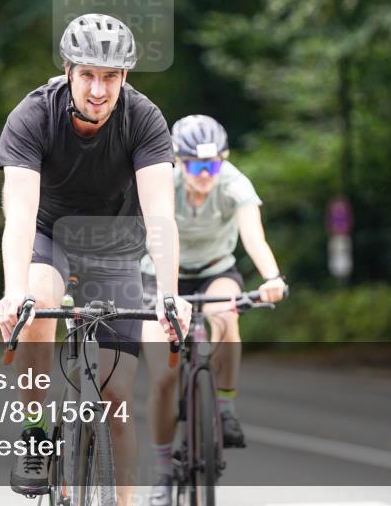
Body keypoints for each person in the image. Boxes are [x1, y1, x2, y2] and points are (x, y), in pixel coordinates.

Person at [0, 13, 191, 506]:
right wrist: (13, 292)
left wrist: (170, 295)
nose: (98, 90)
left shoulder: (144, 119)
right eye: (87, 75)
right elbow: (18, 216)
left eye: (110, 77)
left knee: (117, 400)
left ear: (125, 78)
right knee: (37, 302)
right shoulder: (33, 116)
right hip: (49, 237)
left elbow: (162, 218)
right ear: (67, 72)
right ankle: (37, 432)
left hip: (116, 247)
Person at [141, 115, 287, 506]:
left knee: (226, 314)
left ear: (224, 160)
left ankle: (224, 405)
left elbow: (253, 236)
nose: (206, 174)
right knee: (162, 380)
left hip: (214, 271)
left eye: (214, 164)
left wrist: (271, 277)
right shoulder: (162, 184)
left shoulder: (234, 182)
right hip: (160, 277)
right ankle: (162, 471)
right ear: (178, 160)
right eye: (196, 165)